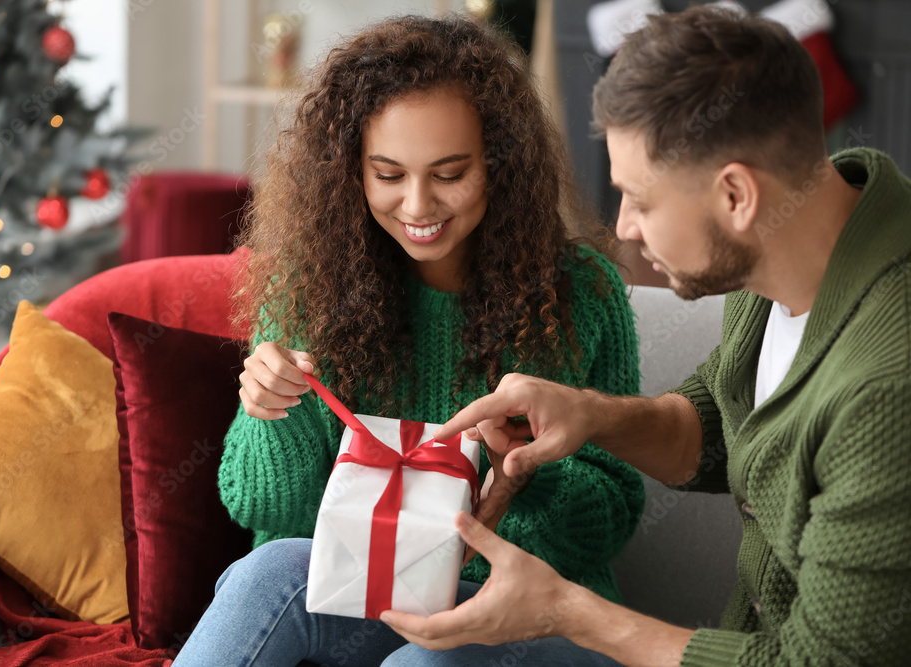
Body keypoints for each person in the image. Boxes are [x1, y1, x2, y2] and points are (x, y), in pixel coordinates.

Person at [380, 5, 911, 666]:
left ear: (736, 196)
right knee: (281, 581)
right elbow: (718, 427)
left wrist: (564, 608)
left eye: (641, 198)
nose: (624, 227)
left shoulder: (886, 391)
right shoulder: (792, 251)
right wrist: (590, 415)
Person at [172, 14, 645, 667]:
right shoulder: (309, 287)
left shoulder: (582, 294)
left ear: (499, 166)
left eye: (450, 173)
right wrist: (270, 412)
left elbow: (612, 520)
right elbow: (261, 505)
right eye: (389, 175)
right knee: (266, 574)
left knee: (426, 662)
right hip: (366, 600)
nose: (418, 205)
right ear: (350, 172)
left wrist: (524, 473)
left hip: (523, 612)